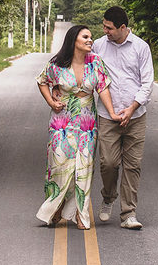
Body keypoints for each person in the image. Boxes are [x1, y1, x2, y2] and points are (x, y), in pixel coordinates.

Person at [35, 24, 118, 229]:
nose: (90, 40)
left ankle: (81, 215)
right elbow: (42, 81)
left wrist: (113, 113)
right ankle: (54, 210)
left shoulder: (95, 62)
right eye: (86, 37)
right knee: (60, 167)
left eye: (91, 37)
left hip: (87, 123)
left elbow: (103, 89)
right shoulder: (57, 63)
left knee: (83, 167)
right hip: (61, 122)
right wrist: (51, 102)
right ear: (74, 40)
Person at [93, 5, 153, 230]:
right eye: (104, 26)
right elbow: (90, 76)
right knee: (108, 163)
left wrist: (132, 108)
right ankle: (108, 196)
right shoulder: (98, 46)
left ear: (123, 27)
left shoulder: (140, 47)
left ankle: (129, 214)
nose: (105, 30)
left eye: (109, 28)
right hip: (107, 116)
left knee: (132, 165)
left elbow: (147, 83)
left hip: (135, 116)